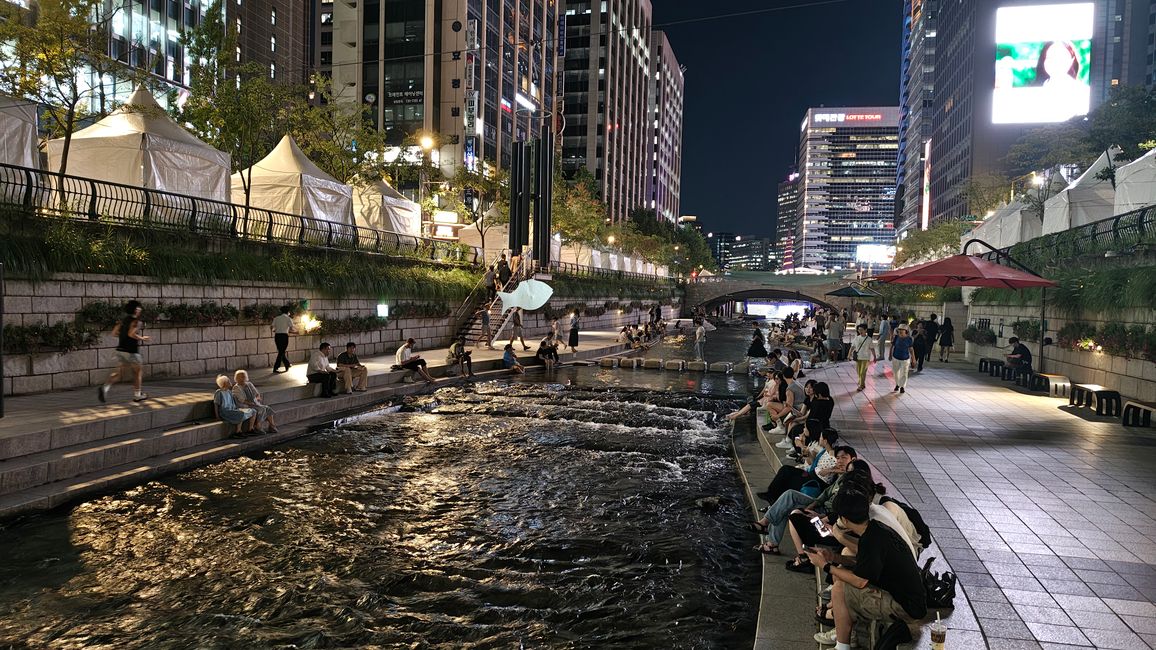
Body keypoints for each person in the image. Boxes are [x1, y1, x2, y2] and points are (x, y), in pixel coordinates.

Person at [807, 486, 927, 649]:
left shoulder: (872, 539)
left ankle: (842, 646)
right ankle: (846, 633)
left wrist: (825, 565)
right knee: (841, 573)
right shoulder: (875, 529)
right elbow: (865, 564)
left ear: (845, 519)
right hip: (906, 597)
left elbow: (860, 581)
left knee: (838, 589)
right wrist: (833, 557)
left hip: (905, 607)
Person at [751, 446, 857, 555]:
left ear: (853, 459)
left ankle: (771, 539)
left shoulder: (854, 483)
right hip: (820, 504)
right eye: (838, 458)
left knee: (787, 506)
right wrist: (813, 504)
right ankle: (767, 530)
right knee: (789, 494)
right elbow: (826, 493)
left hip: (826, 512)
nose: (839, 461)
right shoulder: (843, 475)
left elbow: (841, 510)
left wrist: (822, 516)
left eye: (843, 458)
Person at [99, 300, 150, 403]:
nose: (141, 309)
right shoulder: (136, 321)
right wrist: (142, 338)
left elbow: (114, 333)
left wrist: (123, 335)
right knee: (137, 372)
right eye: (139, 307)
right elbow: (131, 334)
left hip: (121, 350)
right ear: (136, 310)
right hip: (132, 351)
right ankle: (137, 395)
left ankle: (105, 388)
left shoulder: (122, 320)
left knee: (118, 373)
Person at [232, 369, 278, 434]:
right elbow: (242, 400)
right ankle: (258, 426)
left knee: (268, 408)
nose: (243, 378)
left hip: (254, 403)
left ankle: (272, 426)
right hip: (245, 405)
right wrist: (254, 404)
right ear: (237, 378)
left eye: (244, 376)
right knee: (262, 408)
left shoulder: (249, 384)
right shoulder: (236, 388)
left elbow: (256, 393)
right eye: (241, 377)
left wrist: (257, 398)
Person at [889, 324, 914, 394]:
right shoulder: (896, 337)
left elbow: (911, 349)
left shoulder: (909, 339)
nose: (900, 332)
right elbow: (892, 346)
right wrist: (890, 354)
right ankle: (897, 384)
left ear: (905, 331)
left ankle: (902, 387)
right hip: (896, 357)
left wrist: (913, 359)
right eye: (899, 330)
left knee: (904, 373)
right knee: (896, 372)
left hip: (905, 358)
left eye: (901, 330)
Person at [849, 323, 875, 392]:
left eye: (861, 330)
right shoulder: (857, 338)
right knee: (858, 371)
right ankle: (861, 380)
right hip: (858, 357)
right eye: (859, 330)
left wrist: (874, 357)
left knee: (862, 372)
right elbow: (852, 347)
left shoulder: (869, 339)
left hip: (866, 358)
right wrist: (849, 355)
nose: (860, 331)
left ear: (866, 330)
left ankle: (862, 385)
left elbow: (872, 348)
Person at [271, 305, 296, 373]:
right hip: (284, 336)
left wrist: (276, 330)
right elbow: (292, 329)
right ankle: (276, 367)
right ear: (288, 312)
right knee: (281, 352)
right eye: (289, 312)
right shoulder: (288, 319)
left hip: (277, 336)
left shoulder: (276, 318)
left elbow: (272, 328)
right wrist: (297, 332)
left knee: (281, 351)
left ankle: (287, 364)